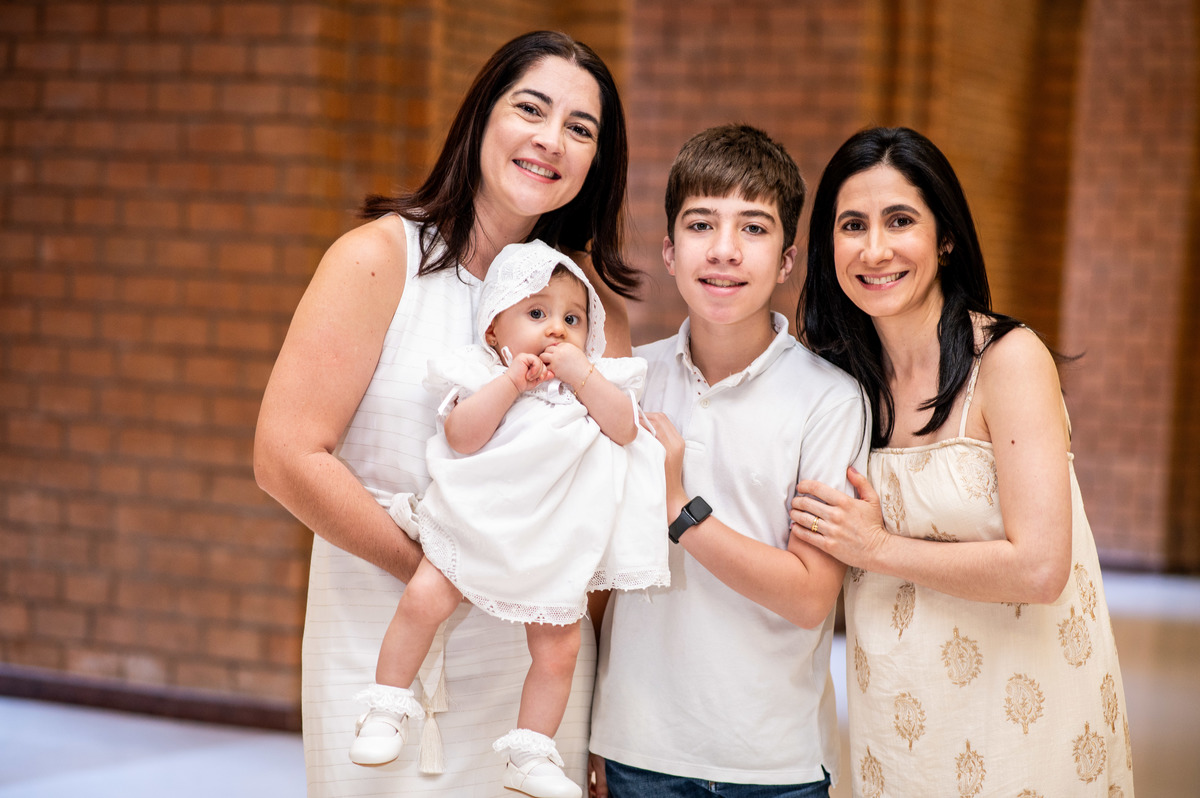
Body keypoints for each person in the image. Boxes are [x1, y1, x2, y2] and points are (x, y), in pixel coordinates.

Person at [253, 31, 639, 797]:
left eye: (580, 128)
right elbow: (286, 458)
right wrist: (444, 571)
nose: (550, 139)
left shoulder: (590, 313)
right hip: (379, 649)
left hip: (535, 682)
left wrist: (607, 722)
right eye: (530, 108)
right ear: (479, 119)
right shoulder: (378, 259)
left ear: (598, 161)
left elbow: (606, 515)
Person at [790, 126, 1134, 797]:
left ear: (945, 238)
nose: (875, 249)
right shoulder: (840, 384)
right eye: (852, 225)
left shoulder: (1007, 361)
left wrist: (877, 547)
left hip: (1022, 721)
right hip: (900, 720)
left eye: (900, 221)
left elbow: (1039, 567)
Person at [589, 124, 871, 798]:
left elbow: (809, 596)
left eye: (752, 228)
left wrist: (678, 511)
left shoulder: (830, 399)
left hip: (772, 764)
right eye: (700, 224)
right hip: (634, 748)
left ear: (787, 260)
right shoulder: (627, 378)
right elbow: (593, 573)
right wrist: (586, 728)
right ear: (668, 250)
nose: (723, 251)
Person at [349, 240, 668, 798]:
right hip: (472, 527)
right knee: (423, 599)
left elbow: (626, 429)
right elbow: (460, 436)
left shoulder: (594, 387)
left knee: (559, 647)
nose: (556, 330)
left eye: (572, 319)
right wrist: (511, 384)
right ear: (495, 328)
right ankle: (385, 705)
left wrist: (583, 376)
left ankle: (530, 753)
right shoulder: (480, 374)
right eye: (536, 313)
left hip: (551, 545)